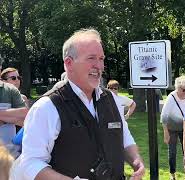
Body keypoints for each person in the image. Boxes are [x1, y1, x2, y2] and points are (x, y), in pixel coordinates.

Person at [14, 28, 144, 180]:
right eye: (91, 58)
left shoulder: (111, 99)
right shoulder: (47, 107)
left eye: (101, 59)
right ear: (69, 63)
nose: (99, 66)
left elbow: (124, 139)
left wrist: (137, 162)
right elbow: (30, 163)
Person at [160, 75, 185, 180]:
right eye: (184, 89)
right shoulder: (171, 97)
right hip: (172, 128)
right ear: (177, 87)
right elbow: (164, 116)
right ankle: (172, 173)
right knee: (172, 151)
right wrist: (165, 132)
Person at [0, 63, 28, 158]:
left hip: (9, 154)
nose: (17, 80)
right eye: (13, 78)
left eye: (18, 77)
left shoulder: (10, 90)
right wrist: (9, 117)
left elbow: (25, 118)